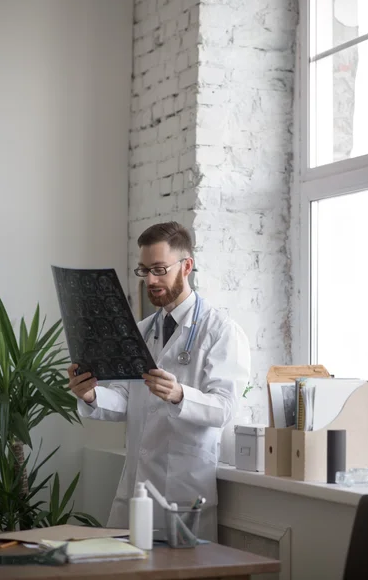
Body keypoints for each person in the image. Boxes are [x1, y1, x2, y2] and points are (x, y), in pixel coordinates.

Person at [68, 221, 251, 541]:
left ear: (187, 266)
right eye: (144, 271)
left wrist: (181, 394)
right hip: (137, 488)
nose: (150, 280)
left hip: (184, 491)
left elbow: (225, 408)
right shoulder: (141, 329)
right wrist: (91, 395)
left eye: (159, 269)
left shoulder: (220, 330)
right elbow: (126, 398)